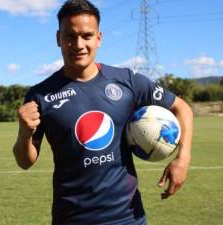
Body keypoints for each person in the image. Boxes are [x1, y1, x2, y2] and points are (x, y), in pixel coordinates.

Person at [13, 0, 193, 224]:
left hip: (127, 217)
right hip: (71, 218)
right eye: (70, 36)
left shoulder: (127, 81)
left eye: (87, 36)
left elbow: (181, 107)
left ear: (99, 38)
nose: (78, 44)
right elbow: (25, 161)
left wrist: (182, 159)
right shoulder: (40, 95)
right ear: (58, 38)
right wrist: (24, 134)